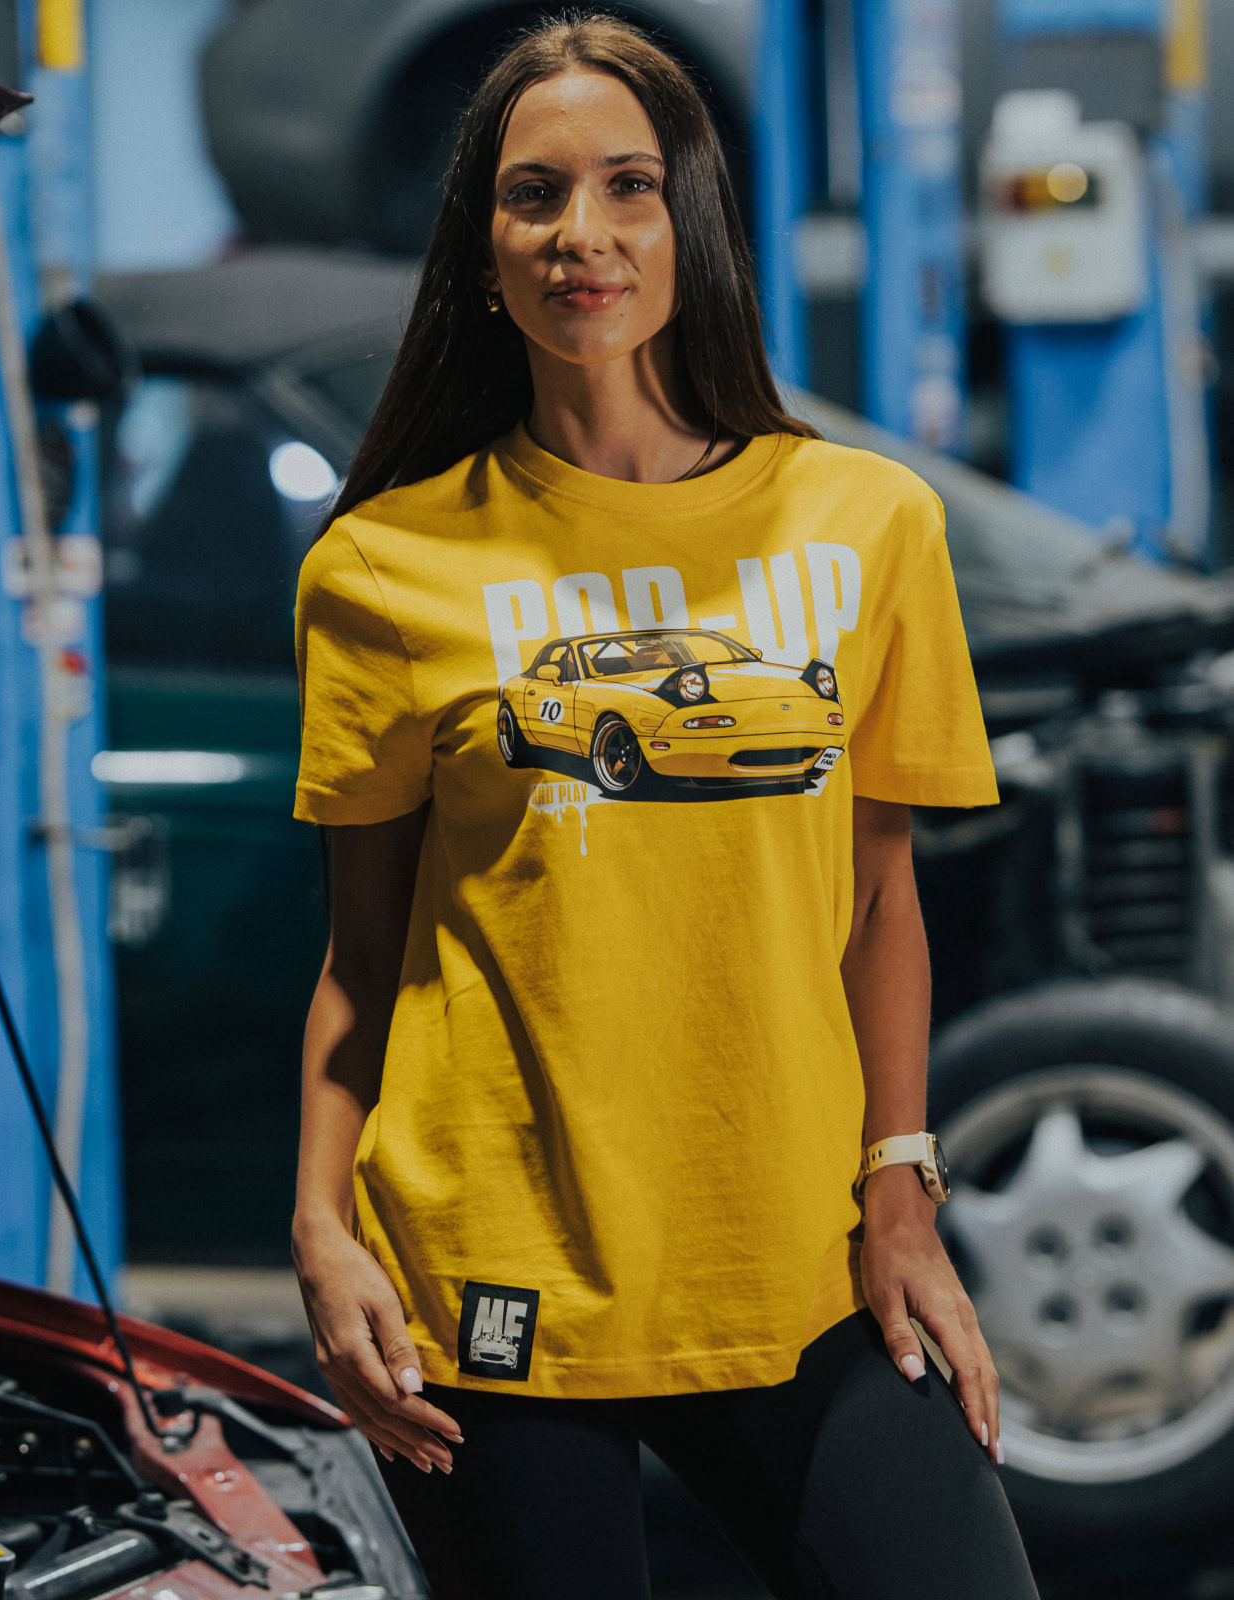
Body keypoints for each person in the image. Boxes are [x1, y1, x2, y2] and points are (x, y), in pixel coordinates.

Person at [288, 12, 1041, 1599]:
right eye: (535, 193)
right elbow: (364, 957)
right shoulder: (383, 566)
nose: (584, 235)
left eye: (629, 186)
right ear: (479, 241)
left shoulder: (864, 524)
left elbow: (879, 903)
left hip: (802, 1264)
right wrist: (321, 1228)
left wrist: (901, 1197)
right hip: (493, 1271)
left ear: (688, 215)